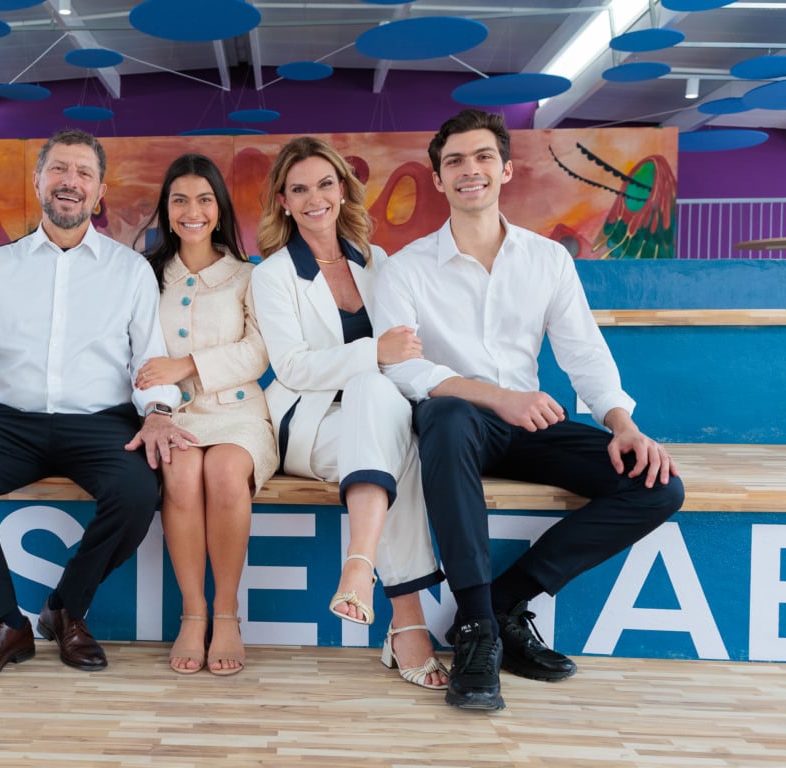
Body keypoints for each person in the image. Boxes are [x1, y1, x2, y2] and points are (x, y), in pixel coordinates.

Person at [373, 108, 685, 711]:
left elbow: (583, 353)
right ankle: (479, 634)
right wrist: (498, 397)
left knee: (657, 486)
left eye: (483, 157)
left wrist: (623, 425)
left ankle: (497, 607)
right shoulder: (406, 267)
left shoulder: (547, 261)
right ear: (437, 179)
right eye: (455, 161)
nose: (470, 170)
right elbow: (403, 369)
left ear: (506, 169)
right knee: (444, 415)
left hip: (531, 424)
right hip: (460, 424)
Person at [0, 129, 195, 683]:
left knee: (139, 488)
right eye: (60, 170)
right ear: (39, 180)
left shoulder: (130, 270)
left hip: (101, 425)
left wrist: (159, 412)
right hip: (13, 424)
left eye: (84, 173)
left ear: (99, 192)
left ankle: (67, 607)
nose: (71, 181)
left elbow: (149, 357)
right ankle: (5, 624)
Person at [251, 136, 449, 690]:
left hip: (373, 419)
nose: (315, 198)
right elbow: (291, 368)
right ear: (284, 203)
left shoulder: (378, 262)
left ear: (342, 189)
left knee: (380, 410)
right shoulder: (271, 275)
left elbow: (406, 351)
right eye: (299, 189)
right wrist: (374, 354)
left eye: (325, 184)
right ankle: (407, 620)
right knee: (388, 430)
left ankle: (361, 569)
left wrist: (383, 364)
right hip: (310, 425)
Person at [134, 153, 278, 676]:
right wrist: (165, 391)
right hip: (176, 413)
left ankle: (227, 612)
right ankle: (192, 614)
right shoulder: (147, 276)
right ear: (166, 209)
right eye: (179, 200)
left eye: (203, 200)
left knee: (221, 471)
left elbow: (260, 351)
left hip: (240, 415)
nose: (191, 211)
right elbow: (137, 353)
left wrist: (186, 364)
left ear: (218, 209)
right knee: (180, 470)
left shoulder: (247, 275)